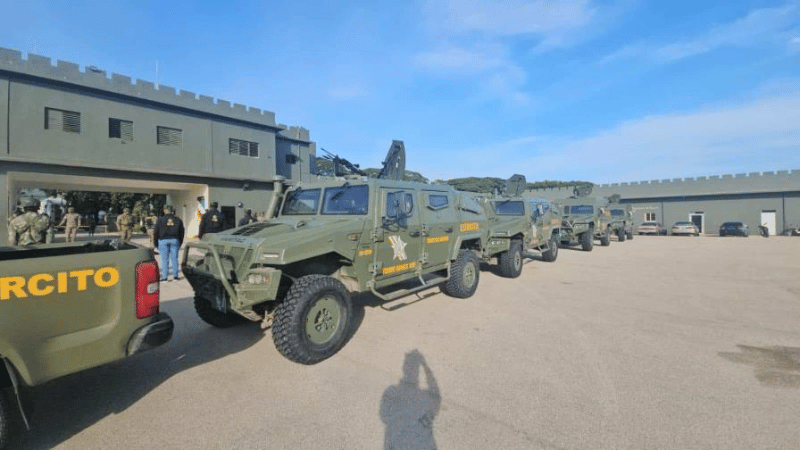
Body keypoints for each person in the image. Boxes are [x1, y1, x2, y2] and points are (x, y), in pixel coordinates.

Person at [153, 205, 185, 282]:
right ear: (172, 210)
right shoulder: (178, 220)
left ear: (164, 211)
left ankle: (164, 277)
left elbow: (156, 232)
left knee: (164, 260)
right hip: (175, 240)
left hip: (163, 240)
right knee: (174, 259)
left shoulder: (160, 220)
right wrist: (179, 242)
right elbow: (182, 232)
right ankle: (175, 277)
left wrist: (156, 243)